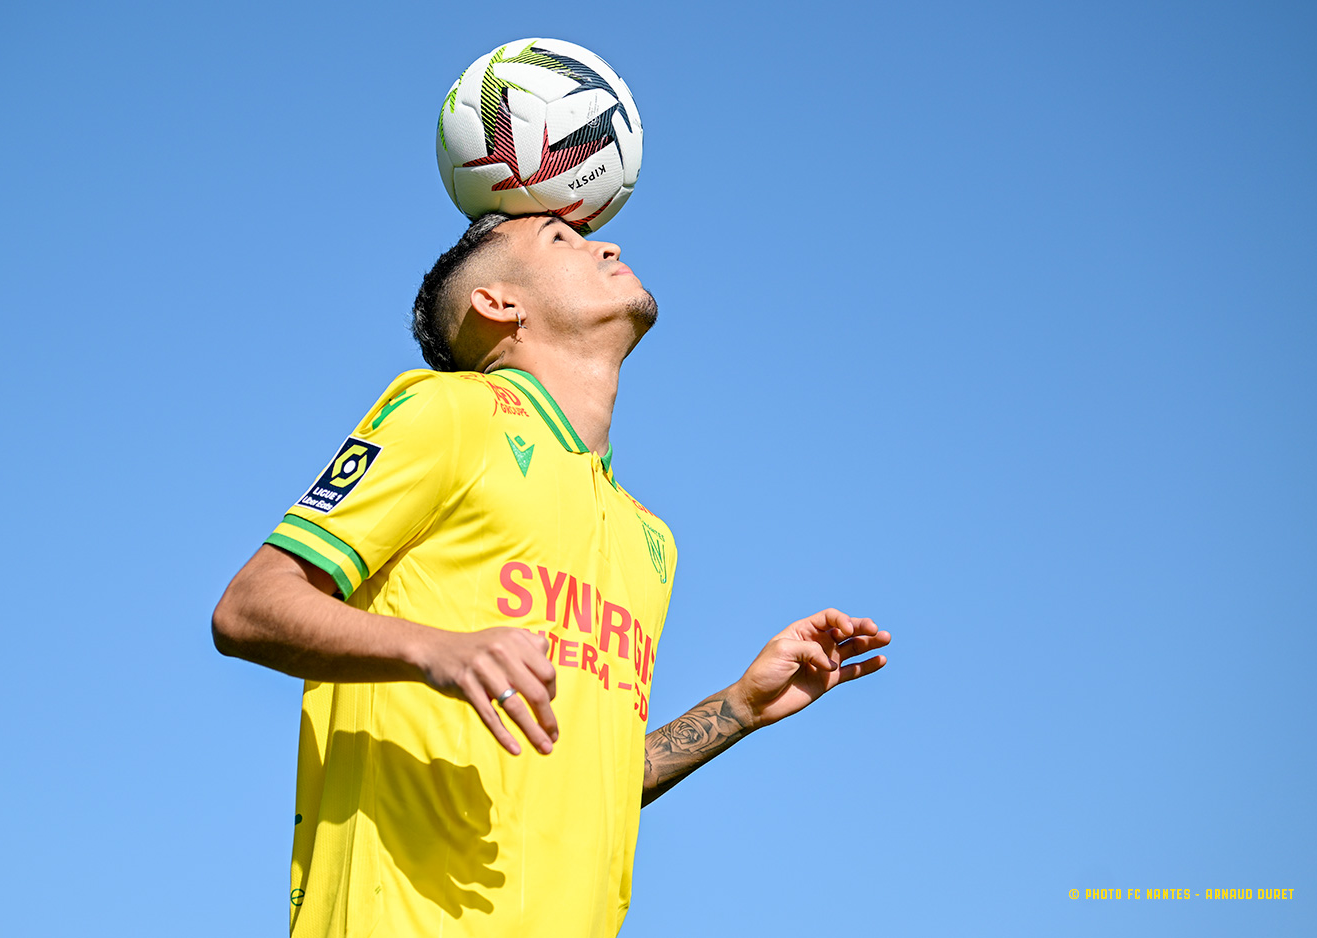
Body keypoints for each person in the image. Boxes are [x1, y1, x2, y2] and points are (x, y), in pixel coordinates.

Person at [211, 211, 891, 937]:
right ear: (501, 305)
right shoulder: (447, 411)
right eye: (561, 241)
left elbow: (586, 784)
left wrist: (737, 710)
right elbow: (249, 606)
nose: (608, 243)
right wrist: (439, 648)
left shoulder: (647, 538)